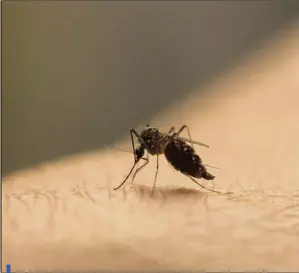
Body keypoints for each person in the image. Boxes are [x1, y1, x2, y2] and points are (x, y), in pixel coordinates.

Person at [3, 24, 299, 271]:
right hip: (170, 146)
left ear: (144, 148)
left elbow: (155, 149)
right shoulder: (147, 140)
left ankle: (200, 173)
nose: (140, 155)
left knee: (176, 140)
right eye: (140, 154)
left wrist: (156, 165)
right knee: (173, 139)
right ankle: (199, 171)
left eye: (140, 154)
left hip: (175, 150)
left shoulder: (155, 145)